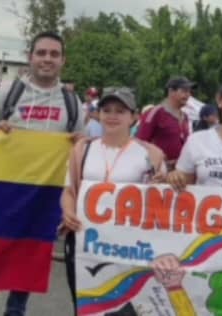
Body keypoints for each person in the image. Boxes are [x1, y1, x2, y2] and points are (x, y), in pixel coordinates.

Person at [0, 31, 83, 316]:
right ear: (31, 57)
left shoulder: (73, 103)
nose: (47, 59)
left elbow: (79, 147)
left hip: (41, 197)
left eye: (54, 54)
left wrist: (77, 143)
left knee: (27, 261)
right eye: (41, 53)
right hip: (1, 193)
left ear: (63, 61)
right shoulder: (8, 93)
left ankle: (15, 312)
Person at [60, 88, 166, 312]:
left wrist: (160, 187)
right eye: (106, 110)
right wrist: (68, 212)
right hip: (85, 242)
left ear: (134, 117)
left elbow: (161, 202)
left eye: (120, 111)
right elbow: (70, 191)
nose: (112, 116)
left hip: (129, 248)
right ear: (98, 115)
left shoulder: (151, 154)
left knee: (124, 308)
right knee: (85, 306)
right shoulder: (83, 149)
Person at [137, 76, 194, 170]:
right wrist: (159, 159)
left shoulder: (185, 116)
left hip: (180, 172)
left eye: (189, 91)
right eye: (184, 91)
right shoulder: (155, 112)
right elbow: (140, 143)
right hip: (159, 172)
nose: (188, 95)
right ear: (171, 91)